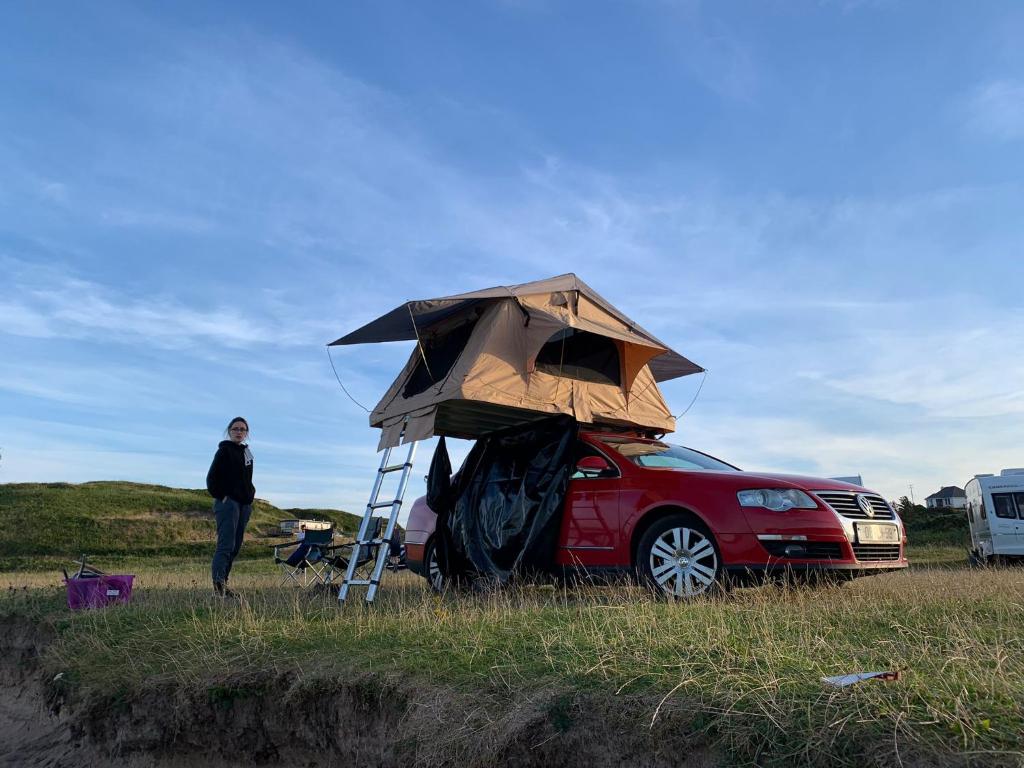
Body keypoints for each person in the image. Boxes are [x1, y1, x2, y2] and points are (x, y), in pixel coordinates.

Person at [205, 417, 255, 598]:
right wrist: (223, 496)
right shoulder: (224, 451)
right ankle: (218, 588)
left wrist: (250, 497)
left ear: (246, 433)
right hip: (228, 504)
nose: (239, 432)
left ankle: (224, 584)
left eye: (242, 429)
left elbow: (247, 480)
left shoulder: (247, 453)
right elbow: (211, 479)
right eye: (235, 429)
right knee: (225, 545)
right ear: (229, 431)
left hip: (243, 505)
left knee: (235, 546)